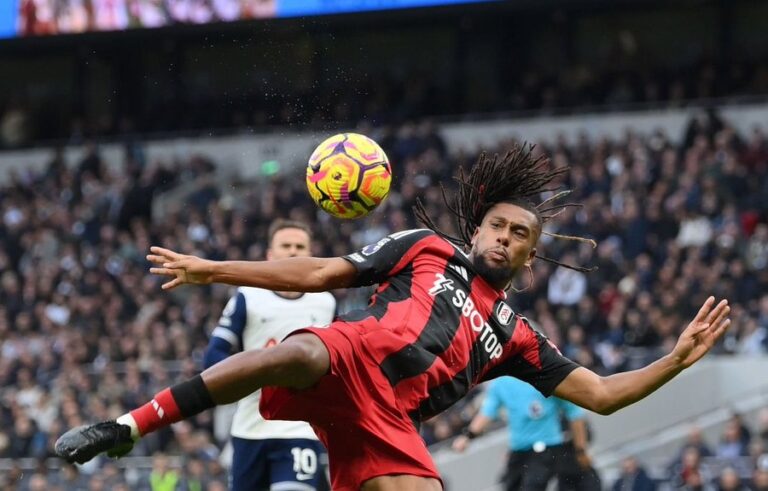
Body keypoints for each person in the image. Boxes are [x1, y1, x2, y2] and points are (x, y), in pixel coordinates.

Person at [55, 145, 732, 491]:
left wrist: (673, 359)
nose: (504, 237)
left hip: (389, 420)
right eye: (496, 224)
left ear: (529, 255)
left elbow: (604, 396)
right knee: (295, 352)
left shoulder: (518, 335)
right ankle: (127, 425)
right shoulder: (426, 248)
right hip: (350, 355)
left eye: (519, 234)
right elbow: (320, 273)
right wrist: (214, 268)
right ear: (478, 227)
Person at [203, 219, 336, 490]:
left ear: (311, 255)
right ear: (270, 256)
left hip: (300, 430)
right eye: (285, 246)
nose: (293, 252)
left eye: (300, 247)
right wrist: (251, 377)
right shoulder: (248, 297)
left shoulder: (325, 302)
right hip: (250, 430)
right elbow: (213, 355)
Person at [451, 376, 599, 491]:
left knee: (533, 486)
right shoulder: (501, 383)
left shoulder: (547, 379)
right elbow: (487, 412)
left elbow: (575, 414)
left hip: (547, 448)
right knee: (510, 486)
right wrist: (467, 436)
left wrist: (581, 449)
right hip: (519, 450)